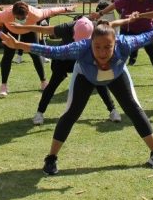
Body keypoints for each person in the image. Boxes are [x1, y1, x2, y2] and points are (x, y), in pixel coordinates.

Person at [0, 12, 153, 174]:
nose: (102, 52)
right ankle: (51, 158)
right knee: (71, 113)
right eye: (97, 47)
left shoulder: (126, 43)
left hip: (117, 75)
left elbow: (150, 35)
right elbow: (51, 51)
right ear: (90, 43)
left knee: (134, 109)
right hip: (85, 76)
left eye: (108, 47)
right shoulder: (80, 48)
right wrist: (19, 45)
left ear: (115, 43)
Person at [10, 15, 140, 125]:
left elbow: (113, 23)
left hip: (86, 57)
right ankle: (39, 113)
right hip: (65, 58)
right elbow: (45, 29)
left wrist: (129, 19)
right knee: (53, 83)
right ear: (74, 32)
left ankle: (112, 110)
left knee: (99, 81)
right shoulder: (66, 28)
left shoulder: (96, 27)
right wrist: (22, 27)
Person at [0, 1, 74, 96]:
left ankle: (43, 82)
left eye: (23, 17)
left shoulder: (35, 13)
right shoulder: (5, 14)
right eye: (18, 17)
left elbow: (50, 11)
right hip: (10, 30)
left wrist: (66, 9)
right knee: (7, 56)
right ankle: (3, 86)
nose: (20, 19)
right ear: (13, 14)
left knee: (35, 55)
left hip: (29, 30)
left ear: (27, 13)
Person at [94, 0, 153, 83]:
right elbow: (115, 5)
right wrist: (100, 13)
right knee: (119, 54)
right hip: (128, 28)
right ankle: (109, 76)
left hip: (146, 29)